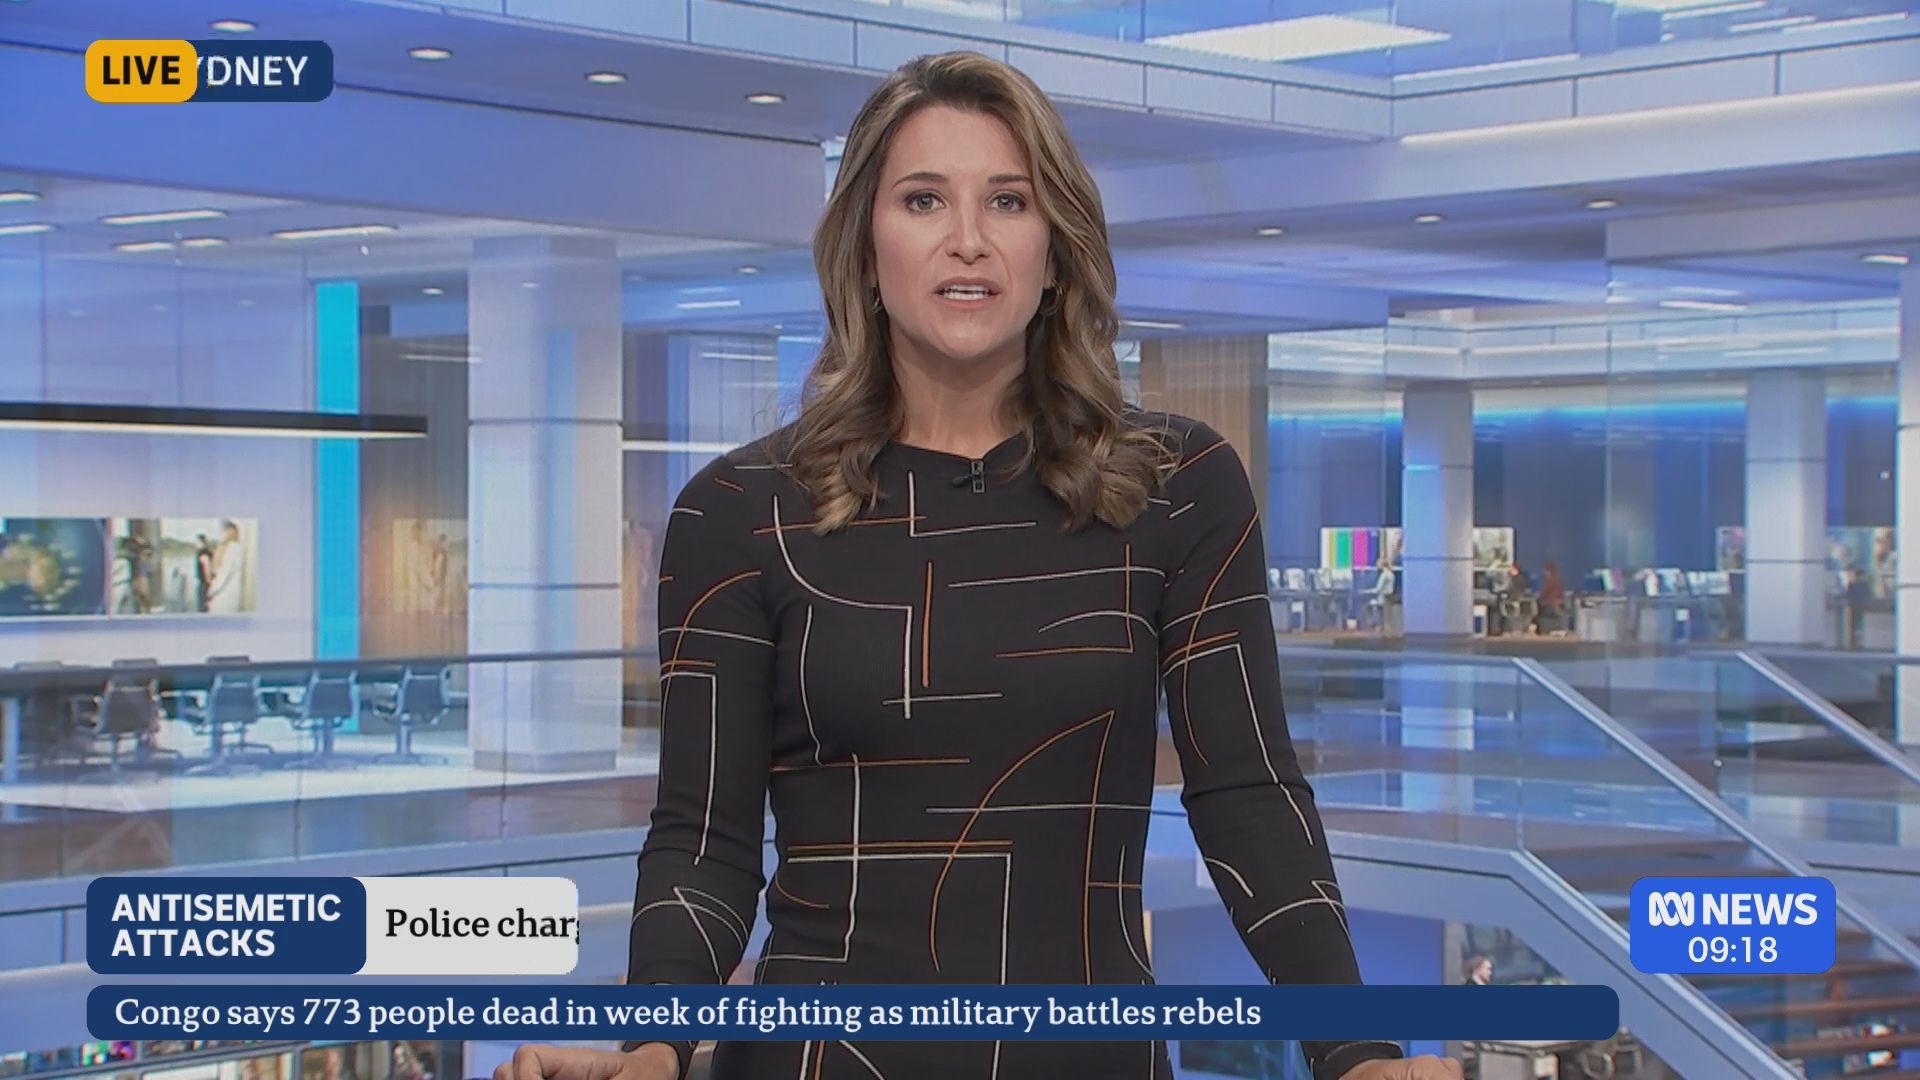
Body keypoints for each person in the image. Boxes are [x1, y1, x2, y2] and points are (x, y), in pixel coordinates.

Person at [500, 53, 1456, 1080]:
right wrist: (656, 1045)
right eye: (924, 200)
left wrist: (1356, 1052)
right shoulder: (739, 512)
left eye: (1009, 200)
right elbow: (704, 841)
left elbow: (1250, 798)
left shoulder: (1176, 486)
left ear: (1056, 252)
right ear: (866, 248)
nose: (968, 239)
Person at [205, 520, 247, 614]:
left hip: (224, 597)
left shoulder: (233, 549)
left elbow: (224, 574)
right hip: (227, 596)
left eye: (224, 531)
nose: (222, 535)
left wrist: (211, 592)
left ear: (231, 531)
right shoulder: (234, 548)